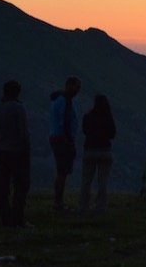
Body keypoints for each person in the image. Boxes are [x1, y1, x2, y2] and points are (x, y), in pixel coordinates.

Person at [0, 79, 31, 228]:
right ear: (17, 92)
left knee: (3, 187)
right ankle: (18, 219)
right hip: (18, 152)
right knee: (21, 185)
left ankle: (5, 219)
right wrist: (26, 151)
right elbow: (24, 133)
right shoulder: (19, 108)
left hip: (1, 151)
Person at [48, 75, 82, 211]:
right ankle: (58, 202)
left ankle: (59, 201)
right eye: (77, 87)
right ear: (69, 86)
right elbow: (65, 122)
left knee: (62, 171)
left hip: (58, 138)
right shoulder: (65, 101)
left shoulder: (60, 100)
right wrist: (69, 141)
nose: (78, 91)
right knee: (62, 171)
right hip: (62, 139)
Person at [79, 94, 117, 214]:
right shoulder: (108, 117)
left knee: (86, 180)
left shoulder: (88, 116)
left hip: (90, 150)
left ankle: (84, 206)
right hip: (105, 151)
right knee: (103, 181)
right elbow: (113, 134)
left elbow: (84, 130)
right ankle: (100, 207)